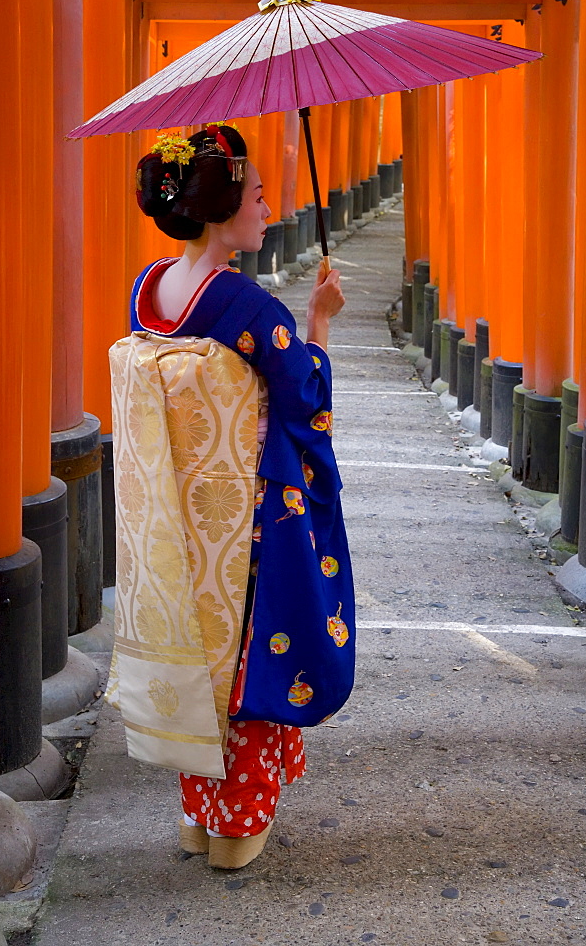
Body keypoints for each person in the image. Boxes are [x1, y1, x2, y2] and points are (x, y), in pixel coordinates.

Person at [109, 124, 355, 871]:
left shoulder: (147, 291)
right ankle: (239, 827)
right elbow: (303, 398)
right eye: (254, 194)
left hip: (178, 517)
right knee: (251, 663)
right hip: (247, 521)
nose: (267, 205)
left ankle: (198, 816)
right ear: (221, 209)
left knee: (197, 657)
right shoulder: (247, 307)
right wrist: (317, 323)